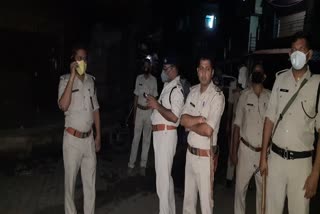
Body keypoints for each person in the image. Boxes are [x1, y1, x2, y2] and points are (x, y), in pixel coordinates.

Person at [259, 31, 320, 214]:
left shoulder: (318, 85)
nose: (297, 54)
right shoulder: (280, 79)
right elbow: (269, 119)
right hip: (276, 159)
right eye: (293, 50)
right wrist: (263, 157)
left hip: (302, 165)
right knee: (271, 209)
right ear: (289, 54)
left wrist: (316, 173)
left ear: (309, 54)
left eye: (301, 50)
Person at [58, 45, 101, 214]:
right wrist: (72, 77)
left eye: (85, 58)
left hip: (89, 139)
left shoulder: (91, 81)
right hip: (72, 140)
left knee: (90, 184)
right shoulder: (64, 80)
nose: (83, 61)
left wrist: (98, 136)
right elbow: (63, 105)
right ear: (73, 60)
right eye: (79, 58)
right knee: (70, 185)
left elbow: (95, 109)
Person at [181, 56, 225, 214]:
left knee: (206, 206)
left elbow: (208, 131)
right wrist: (198, 120)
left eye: (208, 69)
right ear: (197, 71)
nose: (204, 73)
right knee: (188, 204)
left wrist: (190, 125)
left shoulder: (217, 96)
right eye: (201, 68)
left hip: (205, 159)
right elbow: (182, 119)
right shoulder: (192, 92)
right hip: (190, 154)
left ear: (212, 72)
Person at [147, 56, 185, 214]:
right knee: (166, 179)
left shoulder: (176, 90)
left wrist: (157, 105)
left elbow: (175, 117)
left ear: (174, 69)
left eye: (166, 68)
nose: (163, 71)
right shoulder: (168, 86)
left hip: (166, 135)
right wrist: (155, 105)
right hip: (161, 135)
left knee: (162, 183)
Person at [232, 63, 271, 214]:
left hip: (264, 154)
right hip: (245, 151)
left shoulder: (271, 96)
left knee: (263, 195)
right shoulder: (244, 96)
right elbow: (237, 125)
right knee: (240, 192)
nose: (257, 74)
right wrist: (233, 152)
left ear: (264, 76)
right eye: (254, 72)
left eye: (259, 72)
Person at [128, 58, 158, 176]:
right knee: (135, 139)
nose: (146, 67)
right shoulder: (138, 78)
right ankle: (131, 164)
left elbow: (155, 99)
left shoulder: (154, 80)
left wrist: (154, 116)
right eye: (144, 65)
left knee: (146, 140)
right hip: (139, 112)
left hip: (149, 112)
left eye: (148, 65)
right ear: (143, 66)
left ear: (150, 67)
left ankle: (143, 166)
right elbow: (135, 97)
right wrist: (134, 115)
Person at [225, 78, 241, 187]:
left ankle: (243, 179)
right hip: (235, 120)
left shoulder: (251, 82)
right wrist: (227, 122)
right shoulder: (233, 84)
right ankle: (229, 177)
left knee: (244, 150)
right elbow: (230, 105)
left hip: (248, 122)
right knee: (232, 147)